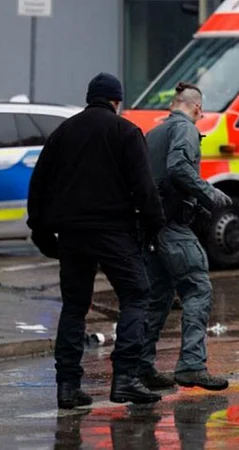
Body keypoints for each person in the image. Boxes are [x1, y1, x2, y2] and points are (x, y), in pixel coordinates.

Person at [27, 73, 165, 409]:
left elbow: (39, 185)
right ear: (117, 101)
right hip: (114, 231)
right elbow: (144, 187)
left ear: (90, 98)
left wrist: (42, 233)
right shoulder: (125, 131)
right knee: (136, 295)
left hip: (72, 234)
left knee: (74, 306)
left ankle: (67, 386)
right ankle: (126, 377)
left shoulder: (63, 132)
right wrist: (155, 226)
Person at [139, 82, 232, 391]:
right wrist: (209, 193)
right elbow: (178, 167)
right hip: (173, 226)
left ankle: (141, 367)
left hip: (151, 228)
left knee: (158, 297)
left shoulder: (154, 134)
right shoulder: (186, 129)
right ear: (196, 108)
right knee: (197, 288)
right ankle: (192, 365)